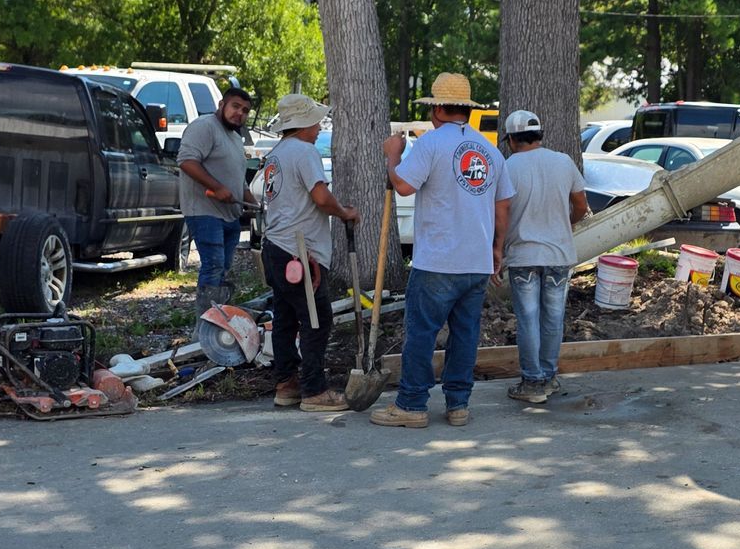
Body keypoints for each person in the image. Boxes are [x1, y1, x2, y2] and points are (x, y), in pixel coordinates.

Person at [371, 72, 513, 430]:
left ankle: (413, 404)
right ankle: (458, 404)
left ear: (436, 109)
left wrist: (393, 155)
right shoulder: (490, 150)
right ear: (465, 110)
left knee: (421, 332)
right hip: (476, 259)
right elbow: (503, 204)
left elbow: (402, 185)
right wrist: (497, 248)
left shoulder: (431, 145)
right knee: (465, 334)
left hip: (438, 259)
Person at [259, 92, 359, 413]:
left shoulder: (276, 153)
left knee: (286, 319)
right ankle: (314, 390)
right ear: (303, 123)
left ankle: (286, 384)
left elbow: (259, 191)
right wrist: (343, 212)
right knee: (317, 319)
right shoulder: (304, 152)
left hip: (274, 246)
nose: (318, 128)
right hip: (299, 250)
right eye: (315, 121)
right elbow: (320, 196)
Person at [499, 110, 588, 403]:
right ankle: (549, 378)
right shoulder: (563, 162)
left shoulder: (508, 167)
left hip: (523, 255)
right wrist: (565, 223)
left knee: (528, 320)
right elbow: (580, 205)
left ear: (512, 139)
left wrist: (497, 248)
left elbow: (501, 212)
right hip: (559, 254)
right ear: (539, 135)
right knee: (553, 318)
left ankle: (533, 383)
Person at [177, 80, 256, 313]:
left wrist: (255, 203)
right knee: (213, 266)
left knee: (222, 269)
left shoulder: (234, 137)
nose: (239, 113)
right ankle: (206, 326)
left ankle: (219, 319)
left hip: (230, 216)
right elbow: (186, 161)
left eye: (245, 110)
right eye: (235, 106)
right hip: (205, 212)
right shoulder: (205, 126)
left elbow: (238, 179)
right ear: (221, 104)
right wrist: (217, 187)